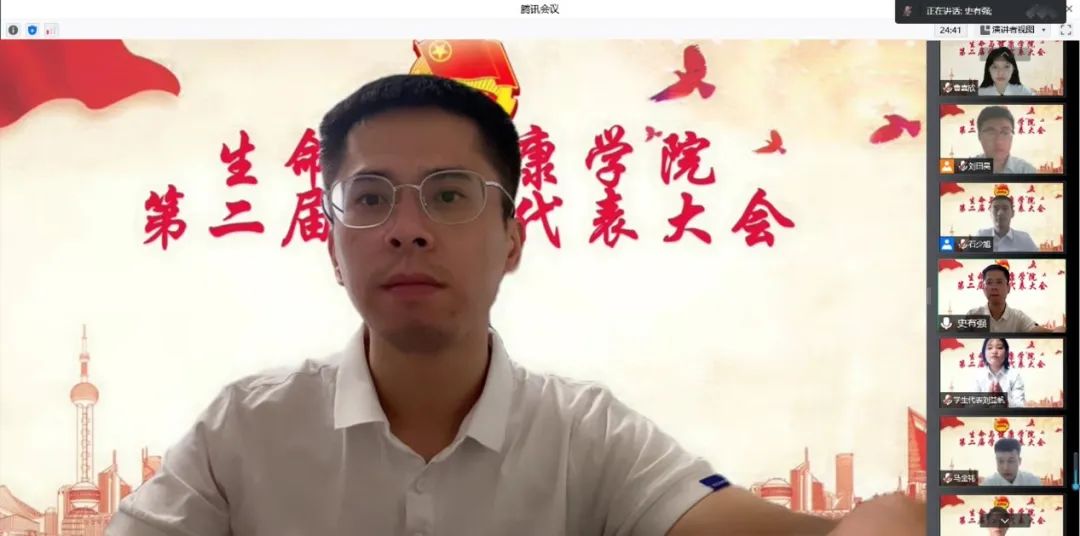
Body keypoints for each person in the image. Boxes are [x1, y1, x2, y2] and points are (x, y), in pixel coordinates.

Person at [105, 74, 925, 536]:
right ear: (332, 245)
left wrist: (883, 520)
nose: (407, 229)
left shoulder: (588, 437)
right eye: (371, 197)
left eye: (449, 195)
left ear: (512, 240)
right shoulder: (246, 431)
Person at [965, 263, 1061, 333]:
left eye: (999, 282)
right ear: (983, 288)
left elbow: (1036, 330)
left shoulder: (1018, 317)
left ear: (1008, 288)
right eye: (989, 282)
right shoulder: (973, 315)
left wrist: (1058, 330)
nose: (994, 287)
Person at [972, 106, 1037, 174]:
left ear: (1012, 137)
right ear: (979, 136)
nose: (998, 141)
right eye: (991, 133)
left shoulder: (1026, 170)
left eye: (1005, 133)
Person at [975, 185, 1039, 252]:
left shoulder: (1024, 239)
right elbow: (970, 257)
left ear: (1012, 213)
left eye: (1005, 208)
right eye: (996, 209)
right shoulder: (981, 236)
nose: (1000, 213)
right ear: (990, 213)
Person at [973, 338, 1025, 407]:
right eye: (990, 348)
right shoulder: (978, 376)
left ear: (1006, 353)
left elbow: (1020, 406)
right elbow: (971, 406)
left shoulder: (1014, 376)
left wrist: (1004, 399)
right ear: (984, 353)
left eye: (999, 347)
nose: (994, 351)